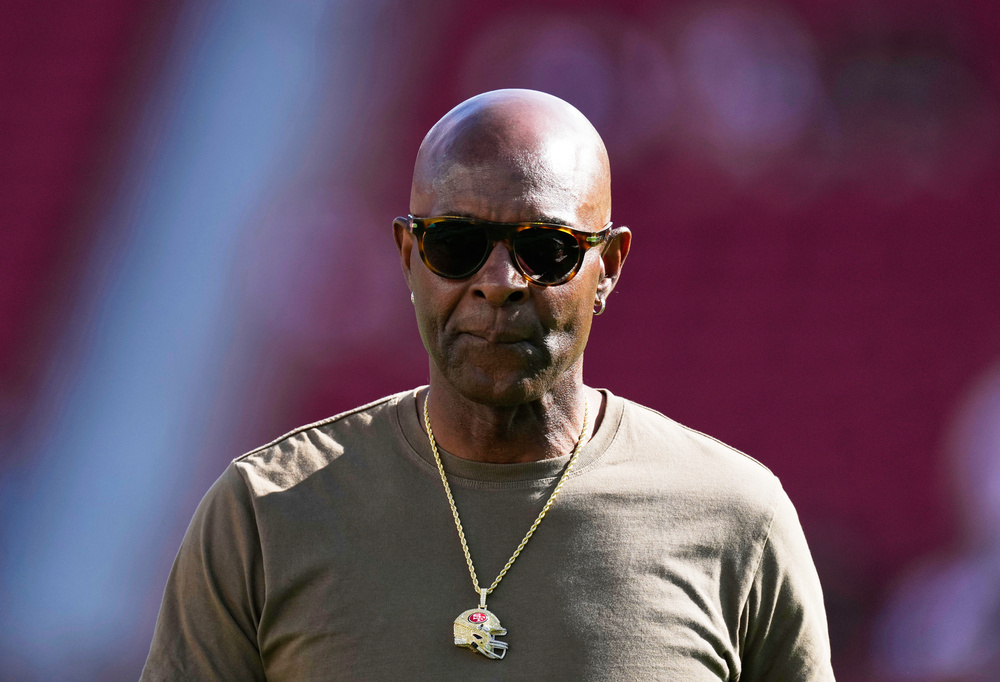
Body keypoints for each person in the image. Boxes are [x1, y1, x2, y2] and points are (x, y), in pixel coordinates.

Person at [141, 89, 834, 680]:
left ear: (611, 265)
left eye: (546, 249)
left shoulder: (737, 519)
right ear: (409, 255)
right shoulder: (265, 514)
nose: (498, 283)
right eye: (455, 244)